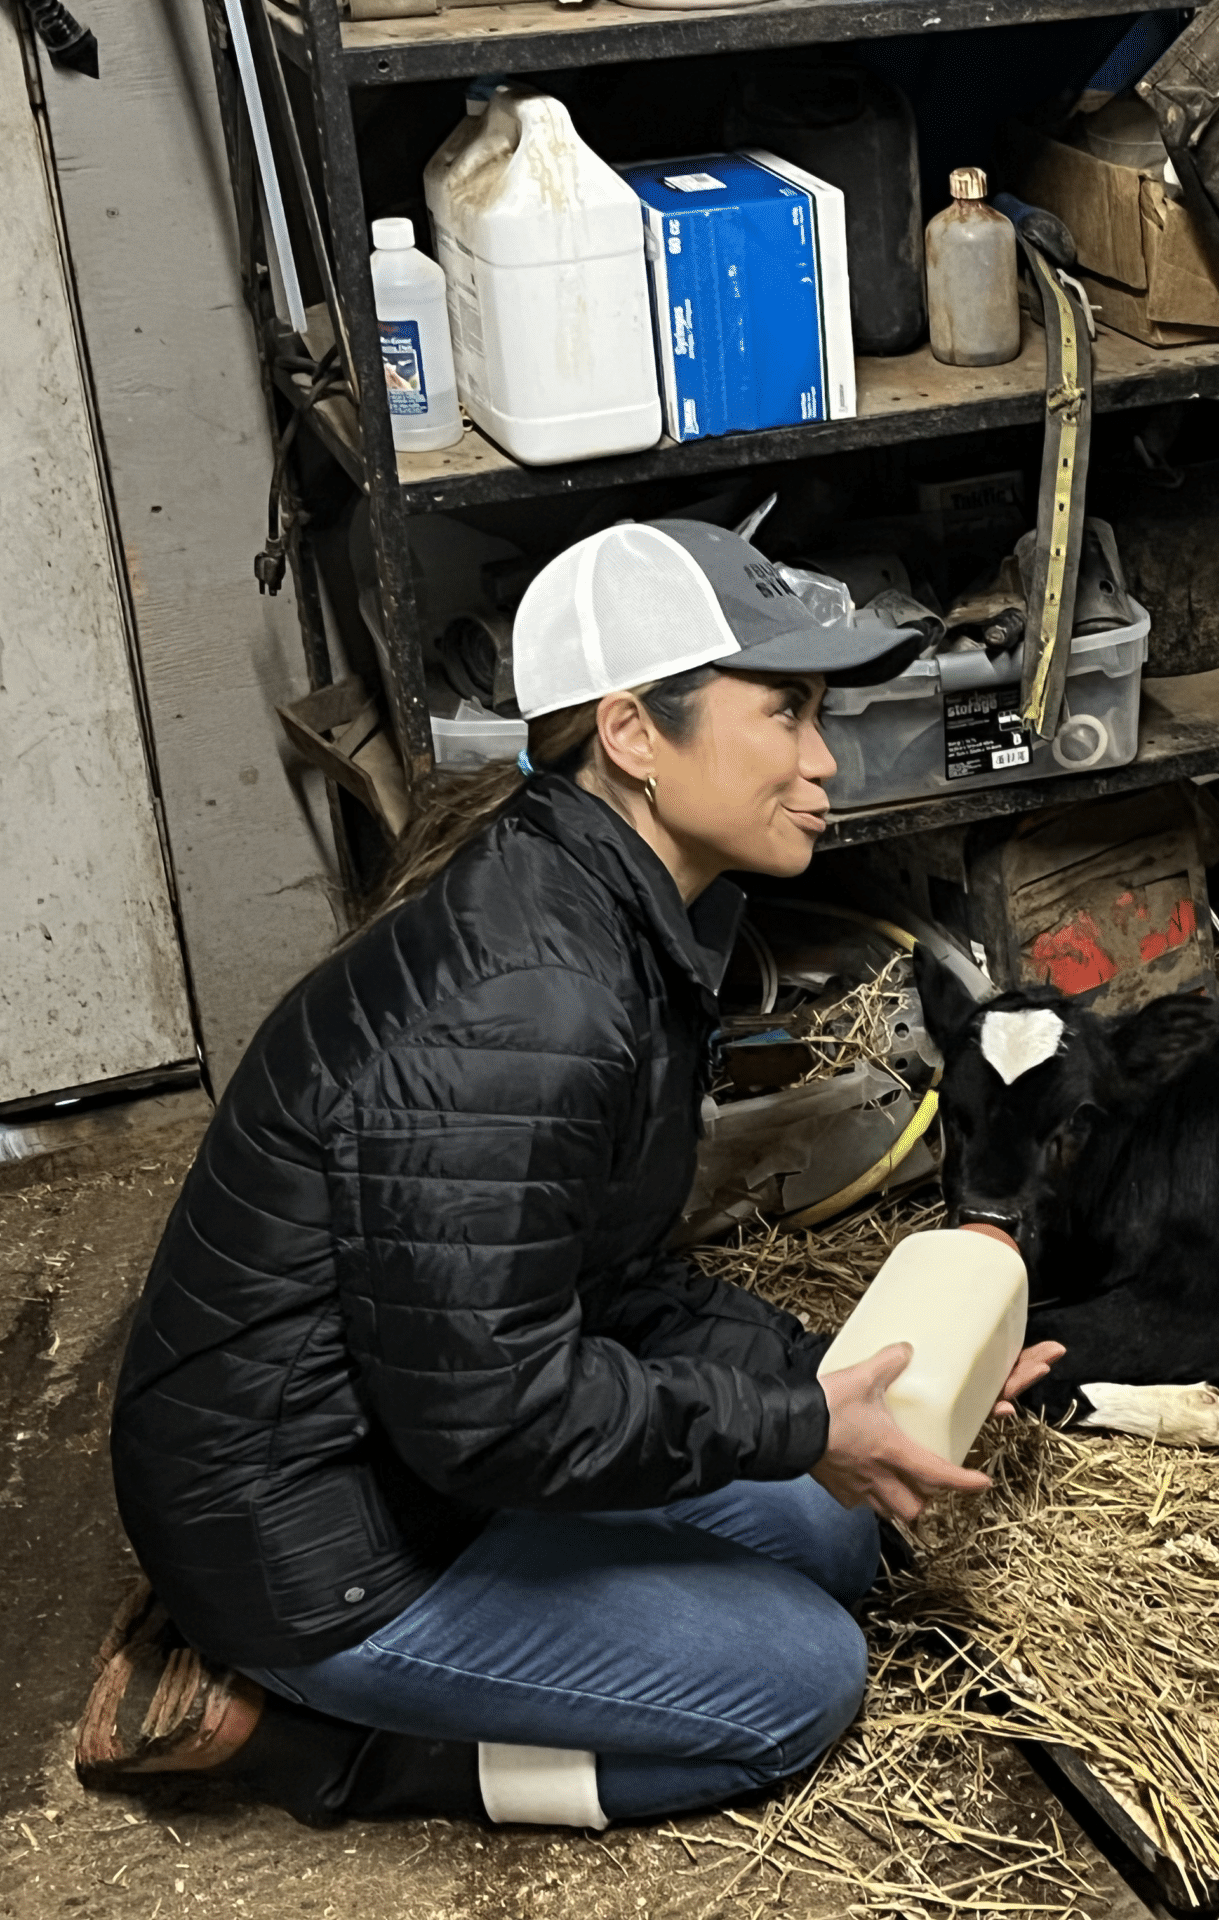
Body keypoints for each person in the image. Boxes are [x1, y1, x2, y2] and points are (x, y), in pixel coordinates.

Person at [82, 519, 1063, 1829]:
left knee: (838, 1535)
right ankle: (314, 1742)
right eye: (786, 712)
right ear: (632, 734)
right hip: (313, 1543)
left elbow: (609, 1282)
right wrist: (800, 1426)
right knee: (800, 1684)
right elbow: (493, 1413)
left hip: (416, 1453)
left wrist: (860, 1378)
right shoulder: (530, 1008)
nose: (826, 761)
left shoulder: (608, 914)